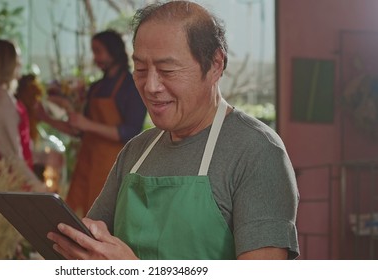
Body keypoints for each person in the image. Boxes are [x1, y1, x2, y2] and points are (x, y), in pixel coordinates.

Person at [47, 1, 299, 260]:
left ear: (215, 65)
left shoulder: (257, 152)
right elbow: (92, 243)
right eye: (141, 70)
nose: (150, 86)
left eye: (167, 70)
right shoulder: (136, 151)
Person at [49, 30, 147, 216]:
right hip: (86, 164)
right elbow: (80, 131)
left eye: (98, 50)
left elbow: (130, 132)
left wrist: (87, 125)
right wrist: (47, 118)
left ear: (113, 51)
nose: (95, 57)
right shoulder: (95, 88)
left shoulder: (131, 86)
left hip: (113, 168)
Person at [0, 40, 46, 192]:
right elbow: (9, 152)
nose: (20, 64)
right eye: (17, 60)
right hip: (10, 181)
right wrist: (39, 188)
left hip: (5, 177)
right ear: (6, 65)